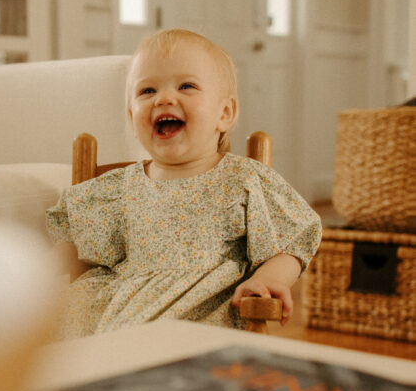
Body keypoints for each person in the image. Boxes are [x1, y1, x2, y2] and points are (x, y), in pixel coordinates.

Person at [47, 28, 322, 340]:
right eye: (147, 91)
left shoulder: (243, 180)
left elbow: (290, 243)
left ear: (225, 113)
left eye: (186, 86)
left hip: (206, 323)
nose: (164, 98)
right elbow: (76, 243)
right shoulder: (118, 189)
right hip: (119, 322)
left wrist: (270, 279)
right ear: (131, 117)